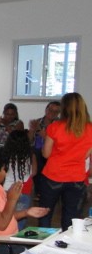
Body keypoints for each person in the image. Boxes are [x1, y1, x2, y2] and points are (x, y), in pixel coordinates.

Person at [38, 92, 92, 230]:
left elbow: (46, 154)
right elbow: (87, 154)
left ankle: (43, 240)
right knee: (71, 217)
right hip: (76, 177)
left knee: (45, 214)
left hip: (53, 176)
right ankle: (66, 241)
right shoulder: (90, 129)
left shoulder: (54, 127)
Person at [1, 130, 37, 230]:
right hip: (24, 188)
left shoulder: (6, 155)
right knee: (21, 216)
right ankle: (17, 234)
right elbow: (34, 172)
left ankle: (7, 233)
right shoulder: (31, 155)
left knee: (7, 214)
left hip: (7, 188)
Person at [28, 101, 61, 193]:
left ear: (59, 113)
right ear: (46, 110)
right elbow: (29, 140)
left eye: (56, 111)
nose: (52, 113)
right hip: (36, 152)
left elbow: (58, 142)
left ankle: (44, 191)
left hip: (52, 153)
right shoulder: (37, 122)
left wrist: (42, 134)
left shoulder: (60, 125)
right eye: (50, 110)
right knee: (34, 155)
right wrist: (32, 130)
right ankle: (37, 191)